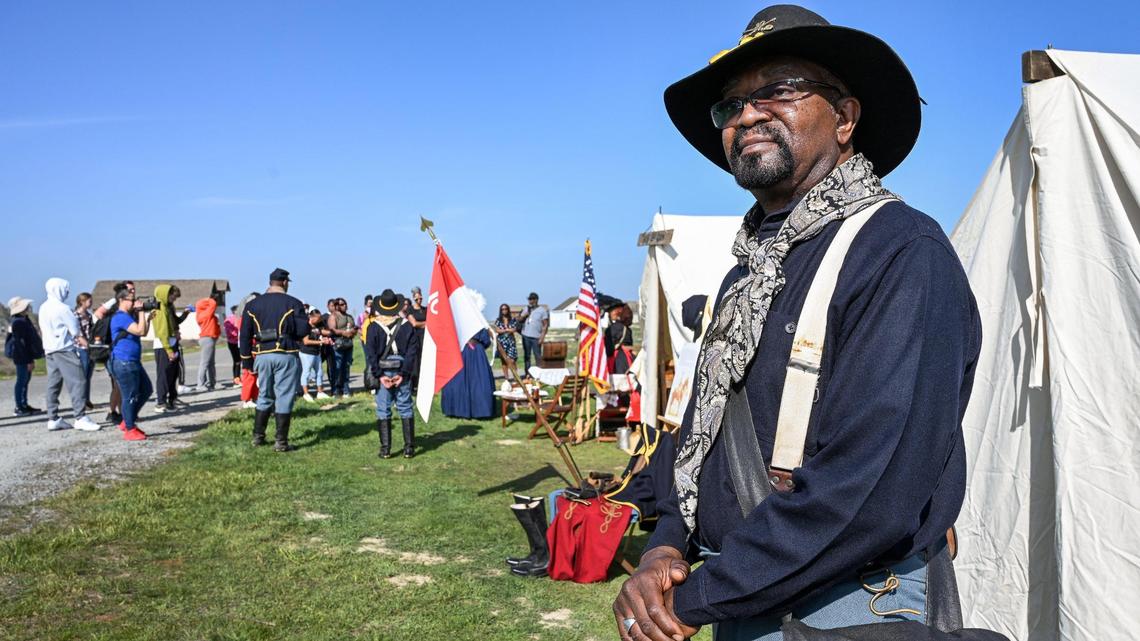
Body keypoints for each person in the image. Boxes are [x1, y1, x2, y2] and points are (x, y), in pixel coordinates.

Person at [613, 6, 981, 641]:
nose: (747, 115)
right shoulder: (745, 277)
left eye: (779, 90)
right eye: (729, 106)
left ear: (844, 118)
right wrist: (666, 545)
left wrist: (695, 595)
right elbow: (702, 432)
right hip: (742, 598)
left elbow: (871, 491)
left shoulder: (899, 250)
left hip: (850, 609)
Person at [239, 268, 308, 452]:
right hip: (286, 353)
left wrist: (246, 361)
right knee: (284, 396)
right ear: (285, 282)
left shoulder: (252, 305)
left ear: (270, 282)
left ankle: (258, 437)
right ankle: (281, 442)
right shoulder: (293, 303)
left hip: (262, 355)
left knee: (264, 395)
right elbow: (302, 331)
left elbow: (244, 336)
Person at [39, 277, 101, 431]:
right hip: (64, 350)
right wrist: (90, 347)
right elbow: (76, 332)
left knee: (53, 383)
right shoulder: (63, 308)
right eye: (65, 289)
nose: (67, 292)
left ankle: (53, 418)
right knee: (79, 381)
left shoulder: (43, 307)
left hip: (49, 350)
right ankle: (80, 417)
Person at [365, 289, 418, 459]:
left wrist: (380, 375)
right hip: (402, 367)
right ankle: (409, 448)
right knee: (405, 407)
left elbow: (371, 354)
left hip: (383, 369)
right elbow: (412, 352)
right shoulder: (407, 325)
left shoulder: (373, 327)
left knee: (383, 409)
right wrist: (403, 373)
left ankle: (385, 449)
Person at [108, 287, 152, 441]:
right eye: (132, 300)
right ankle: (129, 428)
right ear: (121, 300)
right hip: (123, 361)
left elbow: (143, 331)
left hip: (133, 361)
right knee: (130, 396)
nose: (135, 303)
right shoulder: (120, 317)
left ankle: (127, 420)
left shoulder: (128, 316)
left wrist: (147, 318)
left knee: (146, 389)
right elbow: (140, 331)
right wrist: (140, 311)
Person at [93, 280, 134, 424]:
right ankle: (113, 412)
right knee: (118, 383)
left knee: (119, 383)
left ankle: (121, 412)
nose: (133, 292)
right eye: (130, 289)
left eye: (133, 289)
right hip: (113, 348)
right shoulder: (114, 304)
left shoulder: (130, 304)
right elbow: (97, 314)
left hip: (122, 347)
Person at [441, 328, 496, 419]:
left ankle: (480, 410)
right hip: (463, 351)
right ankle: (459, 409)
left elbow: (486, 340)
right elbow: (486, 341)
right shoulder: (458, 322)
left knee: (478, 382)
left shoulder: (478, 323)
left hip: (473, 352)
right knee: (460, 381)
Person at [152, 284, 189, 413]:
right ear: (166, 294)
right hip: (163, 346)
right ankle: (160, 402)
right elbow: (162, 331)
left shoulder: (168, 307)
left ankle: (171, 400)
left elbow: (174, 322)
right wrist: (168, 350)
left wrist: (185, 314)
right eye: (173, 297)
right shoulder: (160, 309)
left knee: (173, 374)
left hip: (172, 343)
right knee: (163, 374)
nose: (174, 299)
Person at [6, 296, 44, 417]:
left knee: (25, 380)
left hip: (24, 356)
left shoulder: (22, 320)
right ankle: (19, 406)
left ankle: (24, 404)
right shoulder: (19, 322)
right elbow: (20, 343)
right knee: (21, 381)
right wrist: (28, 360)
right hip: (22, 357)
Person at [299, 308, 331, 401]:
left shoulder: (316, 327)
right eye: (318, 318)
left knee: (319, 372)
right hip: (306, 352)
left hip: (316, 352)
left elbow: (321, 334)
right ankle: (306, 393)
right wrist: (320, 342)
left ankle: (320, 392)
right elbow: (306, 341)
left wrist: (325, 339)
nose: (320, 319)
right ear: (311, 317)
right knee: (306, 372)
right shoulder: (305, 326)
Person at [194, 293, 222, 392]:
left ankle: (212, 382)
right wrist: (210, 298)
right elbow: (213, 304)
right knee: (205, 362)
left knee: (210, 363)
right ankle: (200, 384)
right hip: (207, 338)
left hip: (210, 338)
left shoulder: (208, 314)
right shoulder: (205, 314)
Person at [73, 292, 96, 409]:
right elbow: (77, 334)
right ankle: (81, 400)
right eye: (89, 301)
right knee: (82, 376)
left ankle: (86, 399)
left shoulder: (89, 315)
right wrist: (87, 345)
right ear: (82, 301)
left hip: (90, 348)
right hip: (81, 348)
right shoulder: (75, 316)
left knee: (88, 375)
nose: (91, 303)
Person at [517, 292, 548, 372]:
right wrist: (525, 315)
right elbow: (519, 319)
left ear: (537, 300)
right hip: (525, 336)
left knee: (538, 356)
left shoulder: (542, 311)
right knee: (527, 356)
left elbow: (545, 325)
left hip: (536, 337)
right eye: (529, 299)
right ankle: (528, 374)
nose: (531, 301)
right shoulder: (526, 308)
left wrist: (542, 337)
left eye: (532, 299)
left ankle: (539, 374)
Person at [406, 287, 427, 393]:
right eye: (417, 298)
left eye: (420, 298)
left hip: (425, 337)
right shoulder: (410, 310)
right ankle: (413, 384)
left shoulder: (425, 309)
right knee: (415, 360)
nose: (419, 300)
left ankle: (422, 383)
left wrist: (423, 325)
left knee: (423, 360)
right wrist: (426, 324)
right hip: (415, 337)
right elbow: (414, 323)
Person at [604, 303, 635, 375]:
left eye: (610, 311)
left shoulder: (612, 328)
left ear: (616, 312)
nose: (609, 314)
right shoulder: (627, 329)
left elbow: (609, 350)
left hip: (617, 362)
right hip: (629, 359)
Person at [492, 303, 519, 379]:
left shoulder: (512, 319)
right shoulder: (498, 320)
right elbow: (497, 330)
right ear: (500, 311)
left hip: (511, 342)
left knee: (512, 360)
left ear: (508, 310)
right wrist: (506, 330)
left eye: (506, 309)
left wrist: (505, 330)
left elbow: (515, 329)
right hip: (502, 343)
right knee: (504, 361)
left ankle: (516, 377)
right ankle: (506, 378)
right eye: (502, 309)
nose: (504, 310)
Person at [223, 305, 241, 385]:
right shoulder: (229, 319)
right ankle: (236, 379)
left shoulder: (240, 318)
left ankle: (238, 378)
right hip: (233, 343)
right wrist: (238, 333)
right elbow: (229, 333)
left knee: (240, 361)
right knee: (237, 361)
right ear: (234, 311)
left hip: (240, 342)